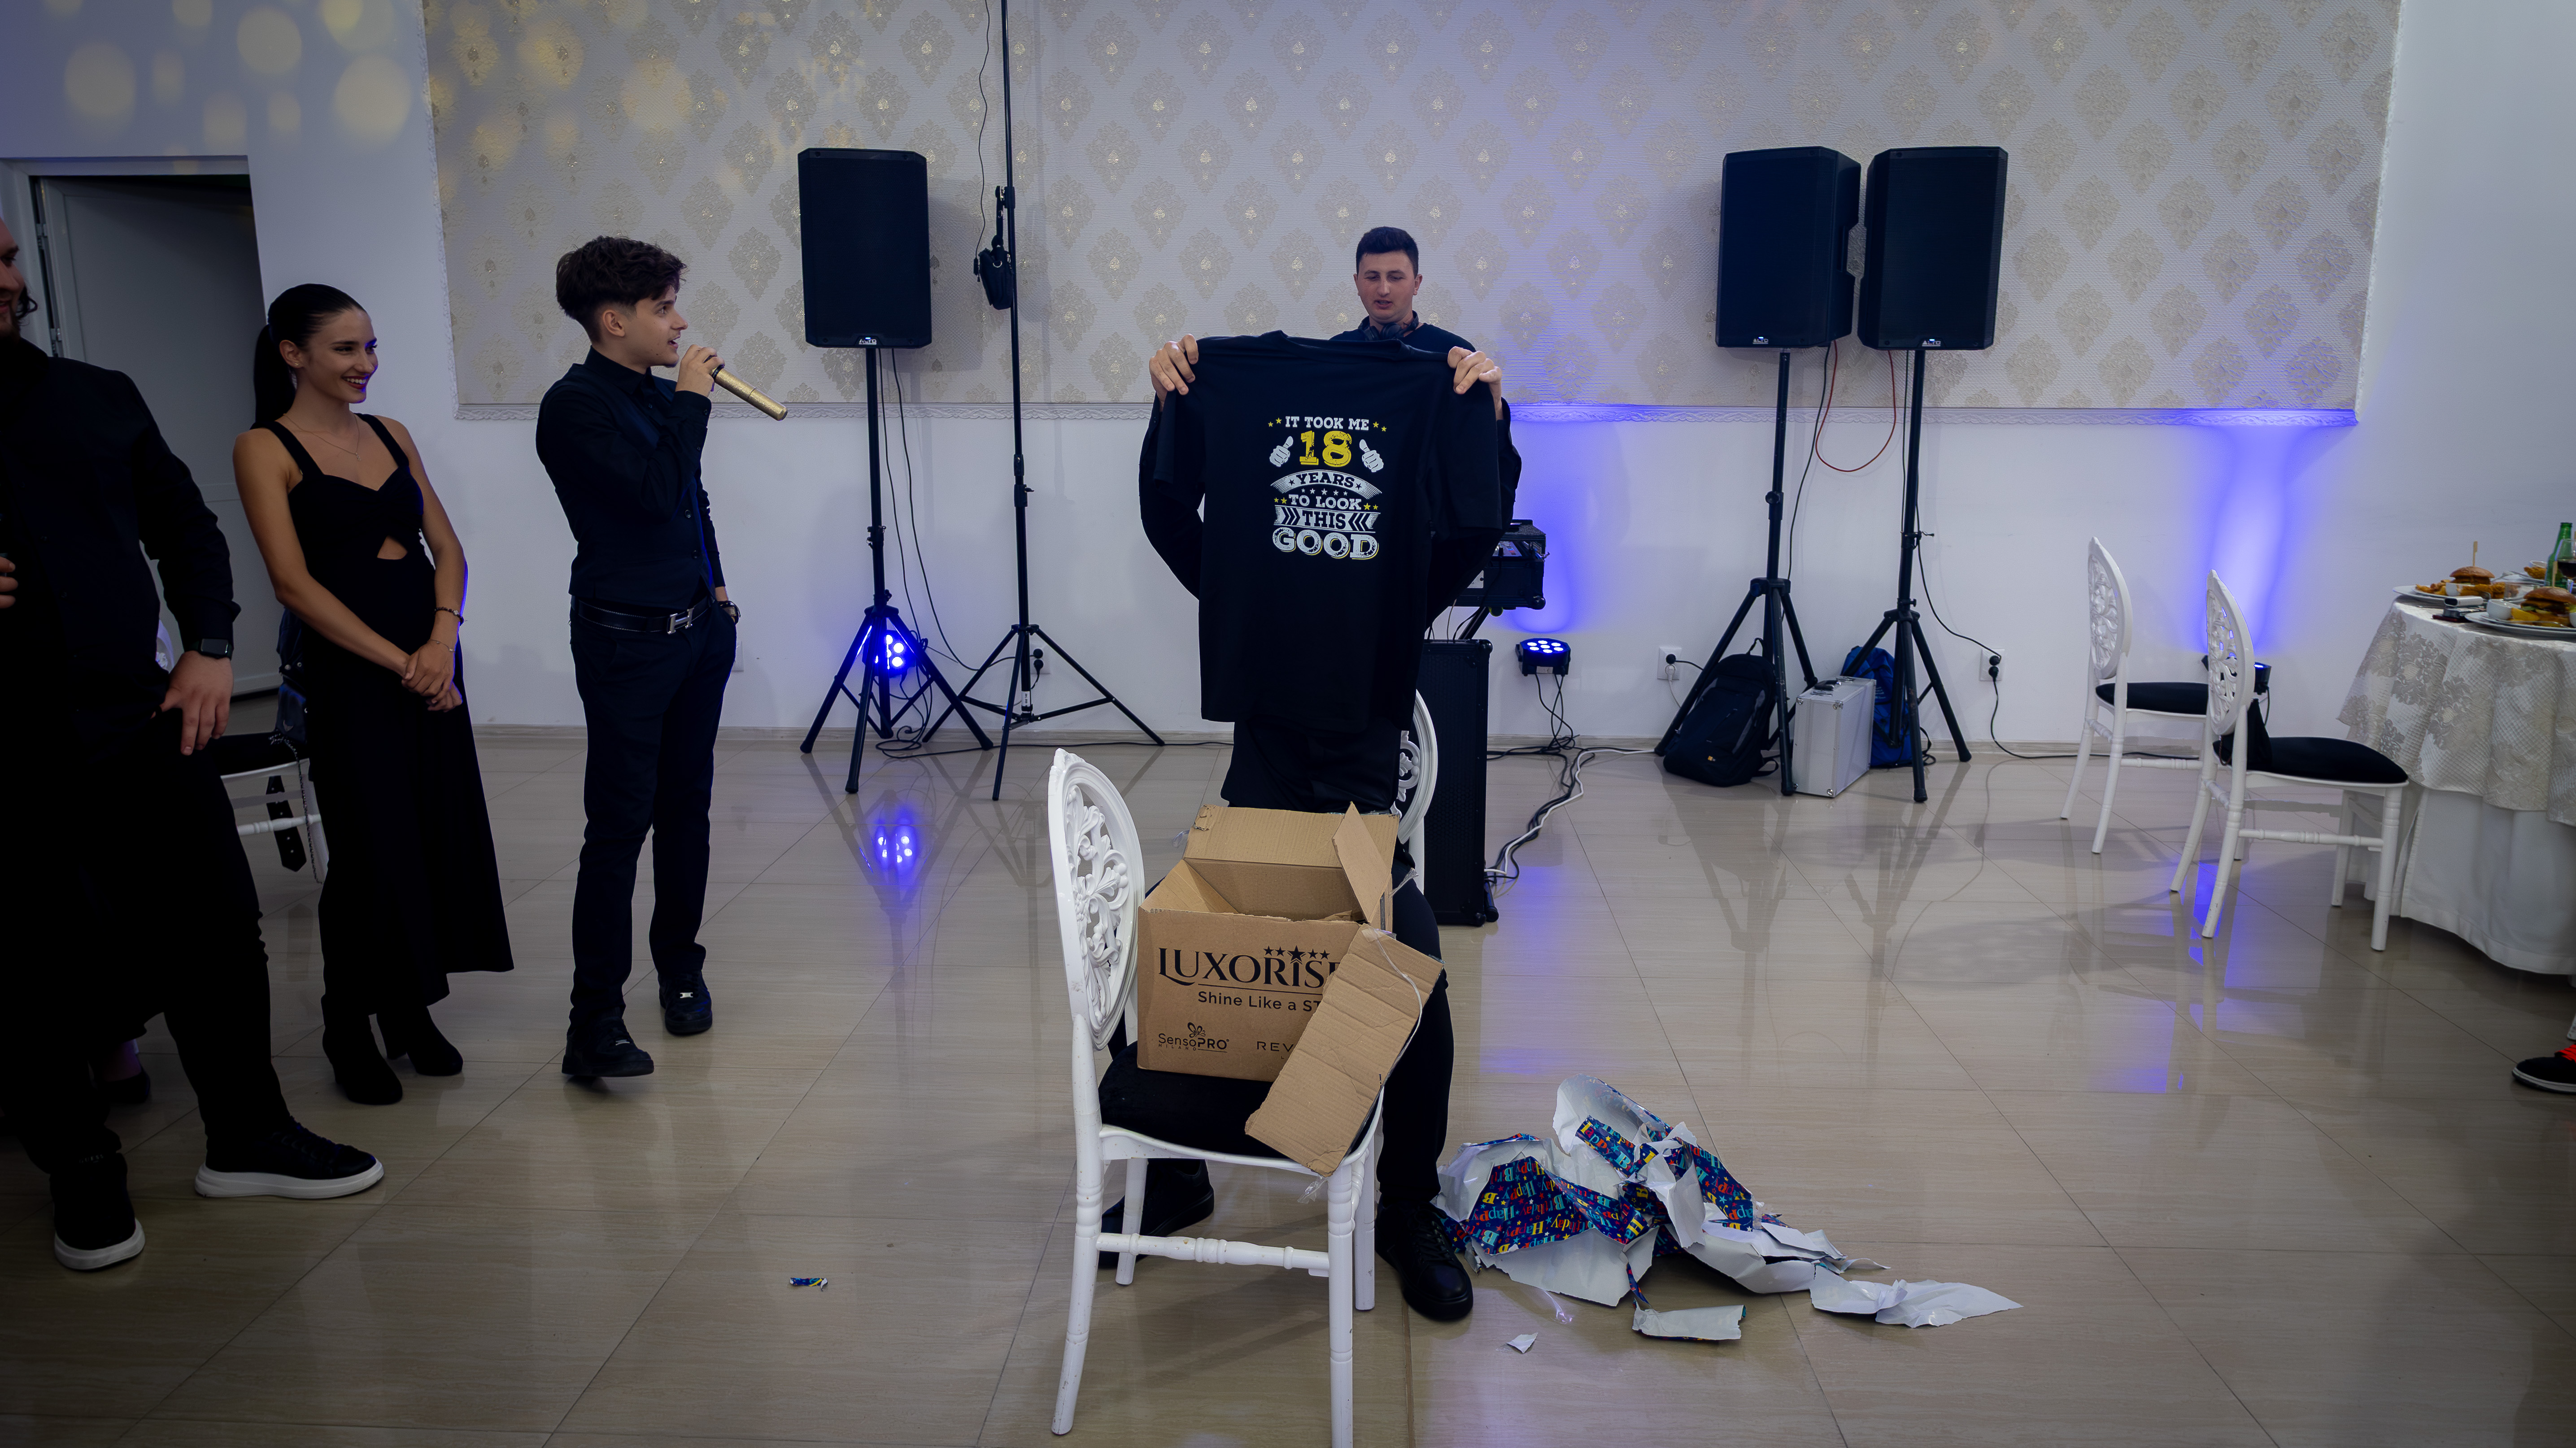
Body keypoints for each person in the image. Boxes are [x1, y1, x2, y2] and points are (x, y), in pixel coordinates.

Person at [1124, 226, 1521, 1323]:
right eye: (1372, 275)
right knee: (1169, 955)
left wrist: (1488, 414)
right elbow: (1167, 511)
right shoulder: (1243, 384)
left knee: (1410, 976)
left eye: (1398, 275)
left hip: (1361, 768)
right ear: (1356, 284)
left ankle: (1406, 1206)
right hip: (1261, 758)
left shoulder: (1424, 386)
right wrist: (1170, 403)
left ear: (1414, 284)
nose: (1384, 287)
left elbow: (1474, 523)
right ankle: (1177, 1164)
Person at [0, 217, 383, 1273]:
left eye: (12, 257)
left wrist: (212, 647)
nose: (8, 278)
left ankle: (247, 1133)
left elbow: (187, 528)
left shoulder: (96, 397)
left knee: (217, 923)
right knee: (33, 953)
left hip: (141, 714)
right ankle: (82, 1170)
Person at [232, 284, 516, 1104]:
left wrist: (441, 642)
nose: (367, 364)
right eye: (347, 349)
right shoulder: (265, 447)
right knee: (368, 851)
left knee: (428, 833)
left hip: (430, 659)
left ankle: (408, 1006)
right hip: (356, 672)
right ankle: (346, 1019)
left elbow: (446, 547)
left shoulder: (391, 433)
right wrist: (404, 661)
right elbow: (292, 584)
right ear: (294, 354)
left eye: (371, 346)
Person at [535, 236, 738, 1079]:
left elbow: (690, 504)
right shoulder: (573, 407)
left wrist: (718, 595)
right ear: (614, 321)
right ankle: (594, 1020)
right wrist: (692, 402)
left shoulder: (657, 396)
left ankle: (681, 968)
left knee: (687, 808)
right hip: (624, 641)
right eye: (663, 308)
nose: (679, 323)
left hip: (696, 632)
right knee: (619, 825)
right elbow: (653, 494)